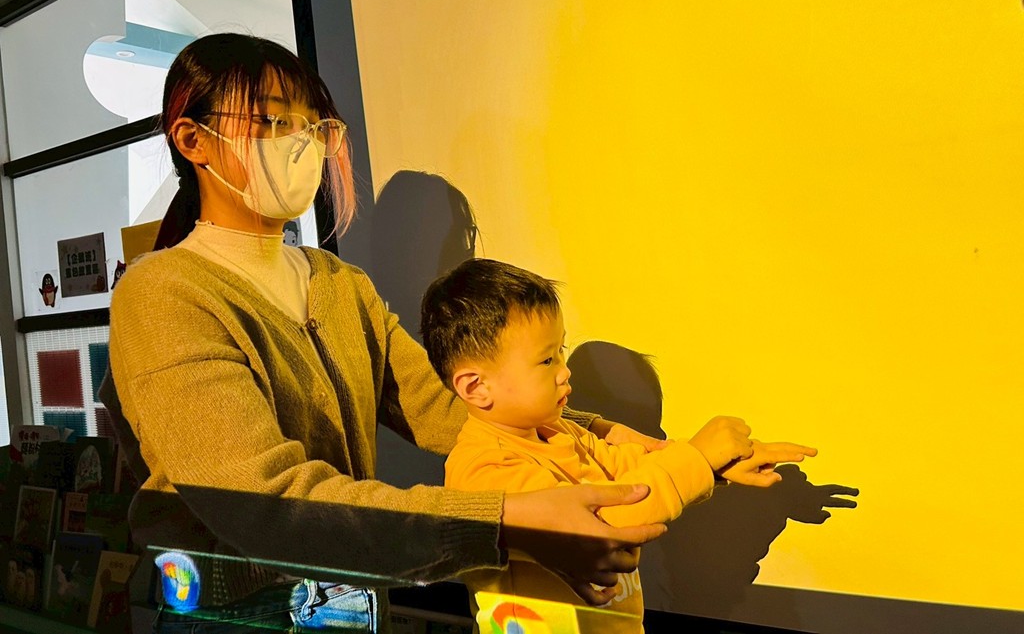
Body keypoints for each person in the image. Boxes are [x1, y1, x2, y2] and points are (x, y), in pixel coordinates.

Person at [101, 33, 672, 632]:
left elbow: (452, 409)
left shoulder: (341, 284)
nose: (300, 142)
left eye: (312, 125)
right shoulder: (164, 292)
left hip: (353, 595)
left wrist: (612, 438)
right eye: (274, 120)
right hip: (239, 612)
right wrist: (505, 523)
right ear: (193, 139)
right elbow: (261, 500)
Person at [420, 258, 816, 632]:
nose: (564, 372)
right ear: (477, 387)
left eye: (561, 351)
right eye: (546, 361)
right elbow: (605, 524)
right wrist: (697, 457)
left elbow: (628, 467)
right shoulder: (484, 469)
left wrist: (718, 463)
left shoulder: (560, 432)